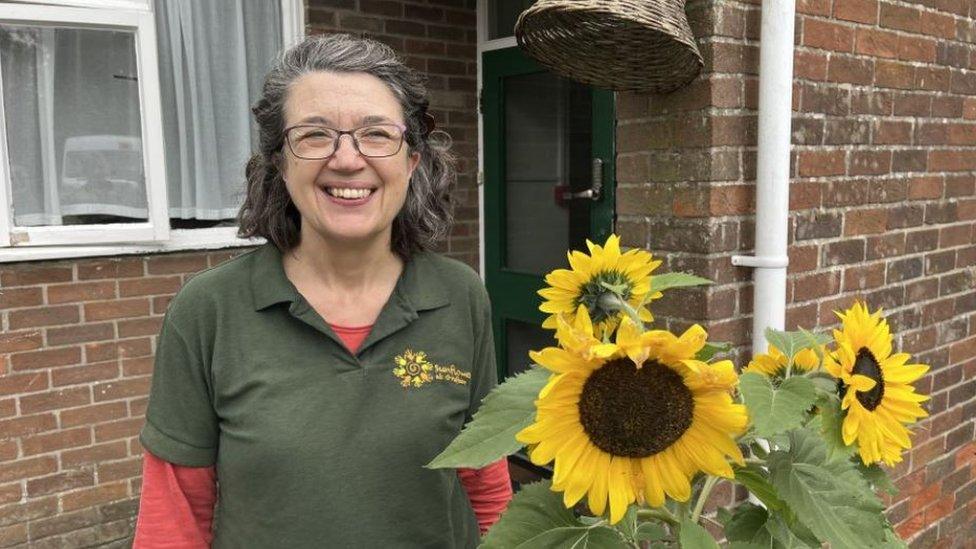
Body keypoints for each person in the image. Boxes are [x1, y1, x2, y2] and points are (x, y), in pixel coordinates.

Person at [133, 34, 512, 548]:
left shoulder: (460, 295)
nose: (348, 160)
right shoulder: (208, 310)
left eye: (376, 134)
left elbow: (484, 475)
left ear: (412, 161)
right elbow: (175, 515)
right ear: (278, 162)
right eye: (314, 136)